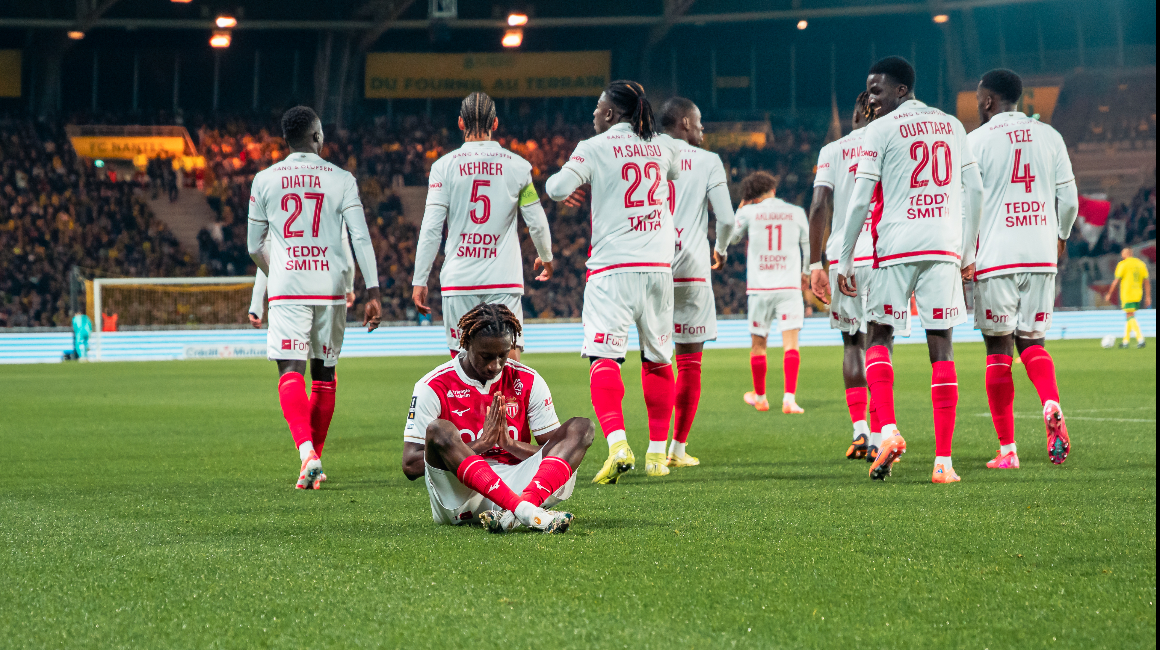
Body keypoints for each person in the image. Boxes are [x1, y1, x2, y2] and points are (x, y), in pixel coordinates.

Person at [836, 56, 983, 483]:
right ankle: (943, 463)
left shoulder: (880, 130)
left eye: (877, 90)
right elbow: (974, 189)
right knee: (942, 345)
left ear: (901, 89)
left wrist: (845, 257)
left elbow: (861, 199)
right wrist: (967, 252)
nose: (871, 99)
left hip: (895, 246)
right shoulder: (952, 125)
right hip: (943, 246)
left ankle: (887, 430)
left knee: (879, 334)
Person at [544, 80, 683, 482]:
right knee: (659, 358)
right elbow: (674, 170)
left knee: (604, 358)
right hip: (658, 267)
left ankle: (619, 445)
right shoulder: (663, 145)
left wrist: (580, 182)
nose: (593, 114)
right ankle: (657, 456)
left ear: (609, 113)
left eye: (597, 107)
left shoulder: (594, 147)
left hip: (612, 269)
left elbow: (556, 188)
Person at [247, 105, 382, 490]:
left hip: (288, 285)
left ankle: (308, 454)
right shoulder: (342, 179)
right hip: (331, 286)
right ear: (318, 136)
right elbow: (360, 237)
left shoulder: (264, 180)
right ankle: (315, 459)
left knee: (290, 369)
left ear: (286, 140)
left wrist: (278, 271)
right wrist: (373, 290)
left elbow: (254, 245)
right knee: (325, 374)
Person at [967, 68, 1080, 468]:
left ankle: (1008, 451)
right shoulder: (1050, 136)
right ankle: (1050, 401)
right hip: (1040, 254)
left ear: (987, 100)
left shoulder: (976, 141)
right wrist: (1061, 235)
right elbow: (1069, 200)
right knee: (1033, 342)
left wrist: (964, 252)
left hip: (995, 256)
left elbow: (967, 204)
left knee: (998, 350)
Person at [400, 304, 593, 534]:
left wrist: (511, 445)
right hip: (461, 494)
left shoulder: (528, 380)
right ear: (466, 343)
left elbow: (555, 451)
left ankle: (520, 510)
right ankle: (525, 510)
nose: (495, 365)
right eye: (486, 356)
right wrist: (481, 445)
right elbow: (410, 465)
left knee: (581, 428)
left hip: (519, 485)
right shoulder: (433, 386)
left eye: (503, 355)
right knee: (439, 430)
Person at [412, 91, 555, 360]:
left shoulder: (443, 168)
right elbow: (536, 220)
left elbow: (431, 227)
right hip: (503, 280)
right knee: (509, 365)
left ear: (460, 123)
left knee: (463, 369)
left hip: (459, 281)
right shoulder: (518, 167)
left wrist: (420, 279)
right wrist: (546, 256)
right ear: (495, 123)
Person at [808, 91, 898, 460]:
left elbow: (819, 206)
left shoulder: (833, 150)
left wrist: (814, 264)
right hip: (882, 254)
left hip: (842, 257)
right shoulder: (893, 145)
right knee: (881, 343)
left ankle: (860, 431)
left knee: (851, 343)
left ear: (855, 116)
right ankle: (878, 435)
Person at [657, 96, 736, 467]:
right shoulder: (707, 161)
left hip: (651, 265)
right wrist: (720, 248)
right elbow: (727, 219)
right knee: (689, 363)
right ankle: (677, 449)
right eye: (699, 121)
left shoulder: (644, 153)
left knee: (655, 362)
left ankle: (653, 449)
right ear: (685, 123)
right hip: (691, 267)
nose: (703, 129)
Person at [724, 171, 809, 414]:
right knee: (791, 344)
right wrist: (805, 272)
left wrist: (741, 209)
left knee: (759, 344)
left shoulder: (749, 212)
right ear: (773, 189)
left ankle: (760, 397)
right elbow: (807, 244)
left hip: (760, 287)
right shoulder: (795, 212)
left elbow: (732, 238)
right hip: (789, 286)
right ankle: (789, 399)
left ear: (751, 195)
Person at [1105, 247, 1151, 348]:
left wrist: (1109, 293)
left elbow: (1116, 281)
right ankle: (1126, 341)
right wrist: (1148, 296)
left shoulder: (1123, 264)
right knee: (1129, 315)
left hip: (1127, 294)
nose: (1121, 255)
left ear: (1126, 254)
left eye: (1122, 253)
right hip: (1138, 294)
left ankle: (1140, 339)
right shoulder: (1140, 264)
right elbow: (1146, 281)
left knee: (1130, 315)